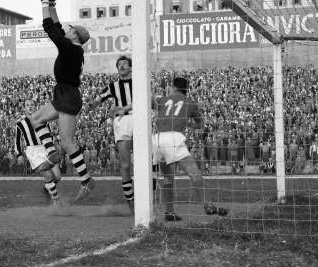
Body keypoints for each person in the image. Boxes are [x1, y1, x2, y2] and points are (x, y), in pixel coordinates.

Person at [29, 0, 94, 201]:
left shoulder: (71, 49)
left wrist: (44, 3)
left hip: (68, 96)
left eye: (70, 29)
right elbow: (56, 27)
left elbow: (50, 28)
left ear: (75, 34)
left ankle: (86, 180)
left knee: (68, 142)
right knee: (35, 120)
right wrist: (53, 5)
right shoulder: (72, 48)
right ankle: (51, 152)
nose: (67, 29)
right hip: (64, 93)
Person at [152, 77, 227, 221]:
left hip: (157, 140)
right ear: (186, 89)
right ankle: (208, 205)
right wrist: (190, 124)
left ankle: (169, 212)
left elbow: (152, 101)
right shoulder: (190, 103)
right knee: (195, 174)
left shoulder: (163, 99)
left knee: (168, 178)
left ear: (174, 87)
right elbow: (201, 124)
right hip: (174, 139)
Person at [89, 55, 134, 213]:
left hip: (139, 118)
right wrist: (92, 104)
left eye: (124, 63)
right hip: (122, 122)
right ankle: (131, 202)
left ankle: (150, 191)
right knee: (125, 165)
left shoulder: (139, 82)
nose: (121, 66)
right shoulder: (112, 86)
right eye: (119, 64)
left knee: (147, 160)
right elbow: (98, 99)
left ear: (130, 67)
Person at [15, 98, 62, 204]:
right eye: (27, 105)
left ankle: (47, 188)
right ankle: (56, 201)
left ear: (35, 106)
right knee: (48, 176)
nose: (30, 107)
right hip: (33, 151)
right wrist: (19, 154)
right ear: (24, 108)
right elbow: (17, 141)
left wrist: (52, 147)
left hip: (46, 148)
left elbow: (49, 134)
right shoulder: (20, 123)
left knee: (58, 176)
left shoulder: (43, 120)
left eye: (32, 104)